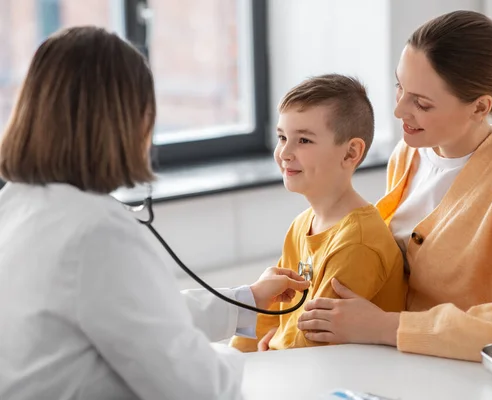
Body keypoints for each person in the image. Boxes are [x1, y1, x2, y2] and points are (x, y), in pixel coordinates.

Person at [0, 26, 309, 400]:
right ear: (129, 122)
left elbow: (129, 312)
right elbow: (198, 387)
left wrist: (246, 300)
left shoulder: (16, 204)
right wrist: (244, 361)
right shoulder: (96, 232)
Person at [297, 10, 492, 362]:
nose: (398, 110)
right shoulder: (408, 156)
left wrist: (386, 327)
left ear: (480, 107)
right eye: (400, 86)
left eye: (421, 103)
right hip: (404, 363)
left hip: (474, 376)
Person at [229, 74, 406, 352]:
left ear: (350, 153)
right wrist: (250, 353)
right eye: (282, 137)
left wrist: (273, 348)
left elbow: (312, 346)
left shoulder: (357, 244)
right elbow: (271, 316)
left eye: (304, 141)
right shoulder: (302, 226)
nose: (285, 152)